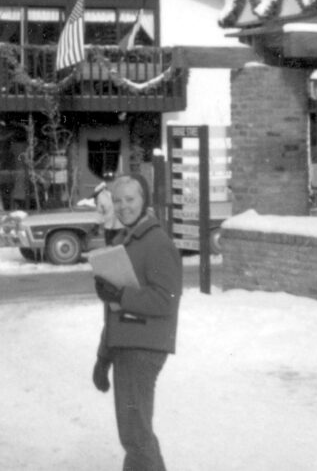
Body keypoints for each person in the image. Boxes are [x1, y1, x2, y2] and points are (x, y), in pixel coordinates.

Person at [92, 173, 182, 471]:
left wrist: (122, 294)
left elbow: (165, 299)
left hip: (143, 347)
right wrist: (103, 357)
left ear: (144, 201)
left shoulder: (156, 242)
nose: (122, 206)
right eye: (117, 200)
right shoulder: (123, 241)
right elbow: (116, 309)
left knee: (135, 433)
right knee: (133, 432)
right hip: (126, 344)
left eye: (130, 199)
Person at [94, 172, 123, 239]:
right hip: (108, 227)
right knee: (109, 248)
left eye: (112, 181)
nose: (110, 184)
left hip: (121, 227)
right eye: (108, 182)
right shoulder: (101, 196)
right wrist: (97, 225)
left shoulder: (121, 193)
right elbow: (100, 212)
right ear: (105, 183)